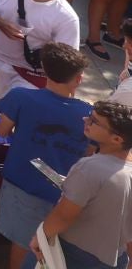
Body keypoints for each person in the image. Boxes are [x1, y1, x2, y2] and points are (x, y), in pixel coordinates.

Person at [0, 42, 93, 269]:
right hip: (66, 196)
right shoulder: (89, 114)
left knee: (22, 244)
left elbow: (1, 131)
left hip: (22, 185)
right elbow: (89, 154)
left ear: (44, 71)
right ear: (78, 79)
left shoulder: (20, 97)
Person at [37, 99, 132, 269]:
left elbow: (64, 216)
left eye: (94, 121)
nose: (85, 120)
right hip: (117, 259)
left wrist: (41, 237)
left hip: (76, 255)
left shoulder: (89, 167)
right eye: (90, 116)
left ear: (117, 139)